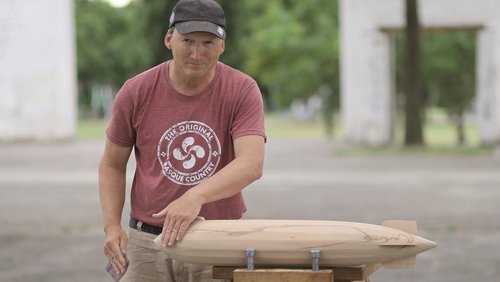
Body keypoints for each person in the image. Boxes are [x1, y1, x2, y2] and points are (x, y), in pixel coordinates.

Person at [98, 0, 266, 281]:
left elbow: (251, 163)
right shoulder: (136, 91)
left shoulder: (242, 89)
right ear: (169, 39)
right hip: (147, 240)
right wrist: (111, 226)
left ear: (222, 45)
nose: (197, 53)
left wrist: (194, 196)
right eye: (187, 40)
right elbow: (112, 165)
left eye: (208, 43)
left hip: (216, 238)